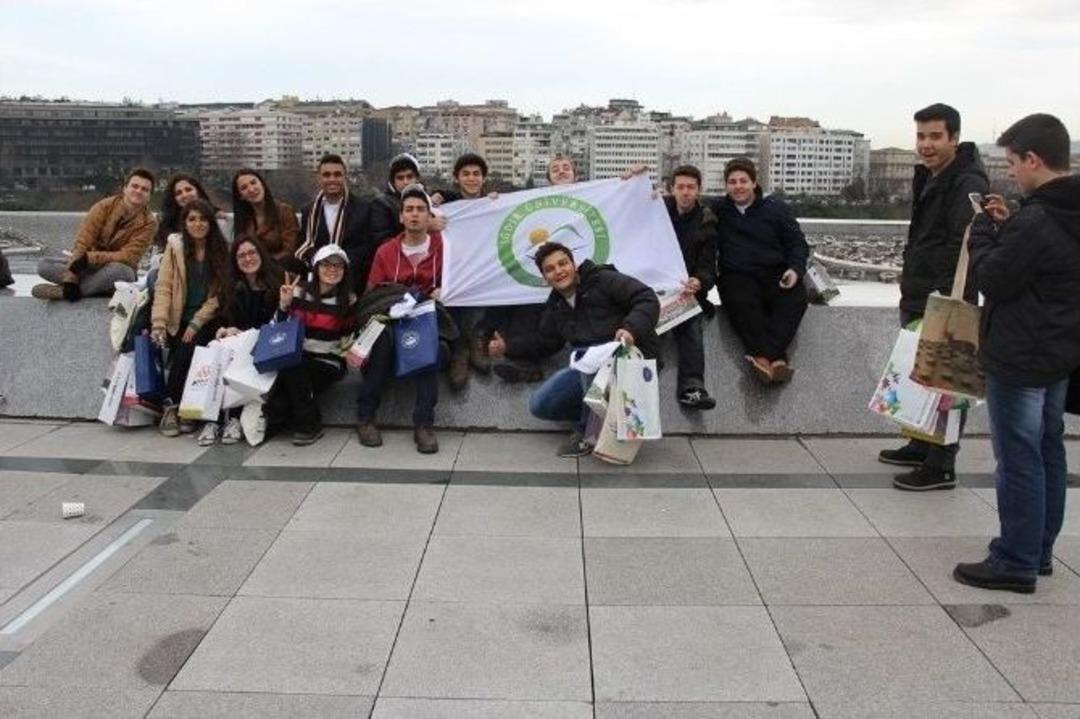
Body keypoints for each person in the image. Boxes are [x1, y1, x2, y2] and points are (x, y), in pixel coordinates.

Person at [953, 114, 1080, 594]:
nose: (1012, 174)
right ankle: (1040, 550)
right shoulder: (1066, 211)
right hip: (1060, 350)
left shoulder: (1040, 217)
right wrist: (1012, 228)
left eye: (1012, 163)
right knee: (1048, 449)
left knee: (1019, 458)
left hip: (1021, 353)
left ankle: (1015, 559)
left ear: (1034, 159)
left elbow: (994, 278)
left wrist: (985, 232)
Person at [879, 103, 989, 491]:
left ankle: (942, 464)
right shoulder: (929, 174)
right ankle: (921, 442)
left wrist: (945, 296)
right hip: (920, 290)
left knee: (947, 379)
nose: (926, 145)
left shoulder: (966, 181)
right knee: (921, 372)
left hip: (945, 295)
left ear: (954, 139)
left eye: (934, 136)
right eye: (921, 136)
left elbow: (964, 243)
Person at [488, 241, 660, 457]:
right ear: (544, 278)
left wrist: (630, 330)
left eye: (563, 263)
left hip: (629, 360)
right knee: (539, 405)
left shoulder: (603, 280)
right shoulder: (556, 306)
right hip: (589, 367)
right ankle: (607, 419)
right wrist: (508, 346)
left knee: (589, 355)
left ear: (574, 264)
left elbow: (646, 298)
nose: (558, 271)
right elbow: (546, 341)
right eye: (550, 269)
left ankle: (588, 433)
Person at [355, 185, 444, 454]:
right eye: (409, 210)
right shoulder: (385, 251)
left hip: (428, 319)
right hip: (390, 320)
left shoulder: (444, 247)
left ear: (430, 216)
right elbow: (373, 295)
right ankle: (366, 417)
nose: (415, 215)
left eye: (420, 209)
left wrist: (444, 291)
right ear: (401, 217)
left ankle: (423, 424)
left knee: (431, 347)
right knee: (380, 343)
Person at [711, 157, 809, 384]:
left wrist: (795, 269)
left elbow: (797, 243)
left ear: (754, 183)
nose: (738, 186)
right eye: (732, 182)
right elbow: (680, 202)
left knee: (794, 300)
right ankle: (777, 360)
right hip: (737, 275)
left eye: (743, 181)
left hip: (775, 273)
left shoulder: (776, 210)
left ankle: (763, 358)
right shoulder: (718, 209)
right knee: (742, 304)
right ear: (726, 185)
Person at [150, 199, 230, 441]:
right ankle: (178, 408)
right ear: (185, 223)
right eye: (192, 219)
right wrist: (159, 323)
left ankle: (176, 406)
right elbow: (163, 287)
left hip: (207, 319)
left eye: (203, 219)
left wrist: (197, 321)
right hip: (178, 317)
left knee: (189, 350)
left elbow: (219, 293)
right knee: (181, 351)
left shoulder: (220, 250)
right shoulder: (175, 248)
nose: (198, 224)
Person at [268, 244, 357, 446]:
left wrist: (347, 352)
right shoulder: (297, 292)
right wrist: (284, 304)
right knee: (277, 407)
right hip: (297, 356)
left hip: (328, 361)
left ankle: (309, 424)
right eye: (326, 264)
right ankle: (302, 418)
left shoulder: (349, 301)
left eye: (338, 265)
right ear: (316, 268)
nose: (332, 270)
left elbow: (346, 341)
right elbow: (277, 329)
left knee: (293, 369)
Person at [32, 168, 156, 301]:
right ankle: (96, 288)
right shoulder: (103, 207)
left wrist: (90, 258)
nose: (138, 191)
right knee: (44, 265)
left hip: (116, 268)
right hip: (88, 266)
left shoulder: (149, 223)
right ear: (125, 188)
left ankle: (67, 293)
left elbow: (127, 256)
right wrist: (71, 277)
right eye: (135, 186)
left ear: (149, 196)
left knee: (122, 272)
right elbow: (82, 242)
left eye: (144, 189)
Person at [214, 236, 285, 444]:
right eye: (241, 255)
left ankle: (236, 418)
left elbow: (281, 322)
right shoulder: (231, 287)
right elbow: (222, 317)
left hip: (268, 348)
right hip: (240, 347)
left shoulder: (278, 282)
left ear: (261, 254)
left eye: (252, 252)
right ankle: (222, 419)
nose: (248, 259)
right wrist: (225, 329)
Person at [431, 153, 494, 387]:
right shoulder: (444, 206)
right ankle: (460, 350)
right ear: (456, 178)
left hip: (483, 271)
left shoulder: (493, 203)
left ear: (484, 178)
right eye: (465, 174)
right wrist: (432, 209)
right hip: (452, 270)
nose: (471, 179)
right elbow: (412, 210)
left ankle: (478, 342)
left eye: (476, 174)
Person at [665, 164, 718, 409]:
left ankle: (692, 387)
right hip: (654, 291)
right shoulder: (657, 211)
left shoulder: (707, 221)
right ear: (671, 189)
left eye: (691, 187)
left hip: (687, 293)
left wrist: (699, 281)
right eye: (681, 187)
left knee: (690, 324)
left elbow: (709, 267)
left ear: (698, 190)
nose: (685, 192)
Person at [294, 153, 375, 289]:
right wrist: (322, 261)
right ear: (319, 178)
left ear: (345, 177)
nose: (332, 179)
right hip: (318, 277)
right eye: (326, 175)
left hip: (352, 277)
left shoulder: (364, 208)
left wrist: (338, 262)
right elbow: (303, 244)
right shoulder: (309, 211)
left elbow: (367, 247)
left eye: (337, 174)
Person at [231, 169, 300, 264]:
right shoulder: (243, 219)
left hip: (280, 267)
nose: (251, 189)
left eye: (253, 183)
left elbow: (289, 250)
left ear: (262, 184)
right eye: (244, 188)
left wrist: (265, 264)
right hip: (251, 268)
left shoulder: (284, 211)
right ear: (241, 196)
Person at [154, 174, 216, 251]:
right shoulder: (167, 228)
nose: (185, 195)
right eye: (178, 193)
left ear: (198, 191)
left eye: (188, 189)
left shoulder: (215, 219)